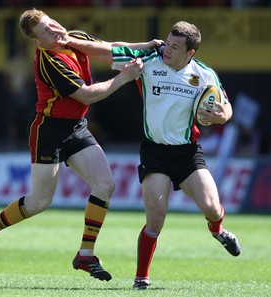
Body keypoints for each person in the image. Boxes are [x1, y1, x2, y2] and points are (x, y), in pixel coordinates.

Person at [0, 8, 160, 282]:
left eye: (51, 23)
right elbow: (86, 96)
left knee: (105, 185)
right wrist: (124, 77)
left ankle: (85, 253)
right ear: (36, 41)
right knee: (39, 202)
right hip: (49, 131)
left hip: (77, 128)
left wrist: (145, 46)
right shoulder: (48, 61)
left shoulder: (73, 37)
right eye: (45, 31)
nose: (54, 30)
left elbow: (110, 49)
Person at [63, 20, 242, 289]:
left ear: (190, 53)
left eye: (175, 47)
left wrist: (221, 116)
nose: (167, 49)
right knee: (155, 218)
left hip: (188, 153)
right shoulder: (149, 59)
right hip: (154, 153)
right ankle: (141, 279)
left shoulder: (204, 75)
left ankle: (218, 231)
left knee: (213, 208)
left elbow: (225, 108)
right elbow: (105, 51)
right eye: (167, 43)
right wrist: (68, 41)